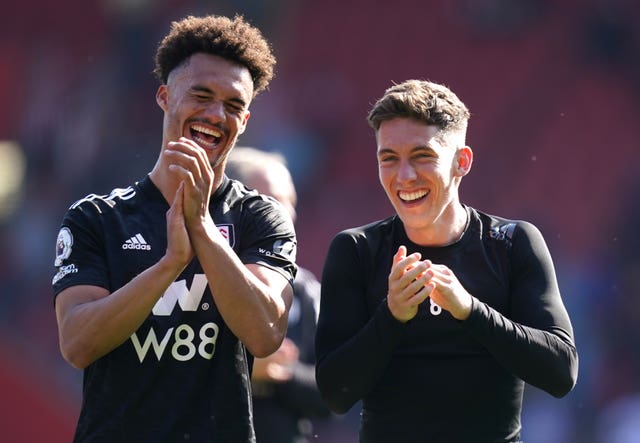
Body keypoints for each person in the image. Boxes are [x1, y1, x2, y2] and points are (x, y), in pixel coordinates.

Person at [52, 15, 297, 443]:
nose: (216, 114)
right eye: (200, 95)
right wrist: (169, 265)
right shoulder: (96, 219)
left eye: (234, 105)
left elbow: (265, 335)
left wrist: (201, 229)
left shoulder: (261, 218)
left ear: (246, 119)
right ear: (164, 97)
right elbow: (77, 344)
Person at [314, 79, 579, 442]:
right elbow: (335, 394)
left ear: (462, 162)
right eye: (389, 158)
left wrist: (471, 311)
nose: (404, 176)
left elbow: (561, 372)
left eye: (422, 156)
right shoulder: (356, 249)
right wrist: (391, 316)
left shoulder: (512, 242)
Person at [225, 146, 331, 443]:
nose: (287, 215)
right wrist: (239, 367)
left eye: (291, 203)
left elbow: (336, 397)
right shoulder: (187, 284)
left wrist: (281, 372)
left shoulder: (306, 292)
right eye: (271, 202)